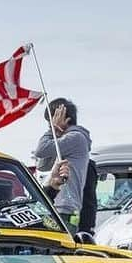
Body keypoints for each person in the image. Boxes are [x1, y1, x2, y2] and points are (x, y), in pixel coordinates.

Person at [34, 98, 92, 234]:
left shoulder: (75, 138)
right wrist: (56, 134)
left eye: (51, 122)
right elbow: (42, 165)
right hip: (56, 205)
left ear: (64, 119)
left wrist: (53, 130)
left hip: (64, 208)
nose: (50, 126)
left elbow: (40, 150)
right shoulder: (63, 140)